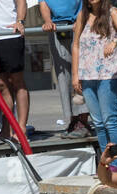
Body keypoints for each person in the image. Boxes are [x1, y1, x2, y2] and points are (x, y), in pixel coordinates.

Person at [71, 0, 117, 151]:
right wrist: (75, 74)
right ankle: (106, 163)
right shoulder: (82, 15)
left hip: (108, 74)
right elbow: (76, 45)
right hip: (87, 75)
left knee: (110, 120)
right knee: (98, 123)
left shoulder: (113, 13)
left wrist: (115, 42)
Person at [42, 0, 90, 137]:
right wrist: (47, 20)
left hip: (78, 23)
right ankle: (72, 120)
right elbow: (43, 3)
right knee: (63, 76)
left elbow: (85, 2)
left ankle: (83, 120)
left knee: (81, 72)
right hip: (56, 27)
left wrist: (81, 19)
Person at [0, 0, 30, 134]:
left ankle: (21, 128)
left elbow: (21, 2)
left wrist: (20, 21)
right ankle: (7, 127)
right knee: (1, 84)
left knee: (17, 82)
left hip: (10, 34)